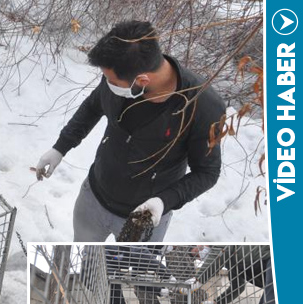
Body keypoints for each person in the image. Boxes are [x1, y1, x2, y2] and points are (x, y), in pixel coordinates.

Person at [33, 21, 225, 242]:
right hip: (94, 198)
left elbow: (207, 172)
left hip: (144, 219)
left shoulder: (202, 106)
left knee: (127, 273)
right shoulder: (122, 72)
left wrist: (164, 200)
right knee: (85, 258)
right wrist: (61, 147)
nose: (107, 84)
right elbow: (93, 106)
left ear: (142, 80)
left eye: (112, 81)